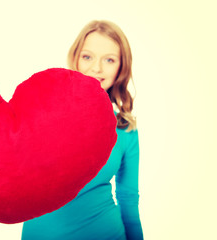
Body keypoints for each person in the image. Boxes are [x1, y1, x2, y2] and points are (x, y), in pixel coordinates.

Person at [21, 20, 143, 240]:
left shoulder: (125, 129)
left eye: (109, 59)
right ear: (75, 58)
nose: (96, 68)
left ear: (120, 67)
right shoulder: (44, 110)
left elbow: (128, 198)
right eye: (88, 56)